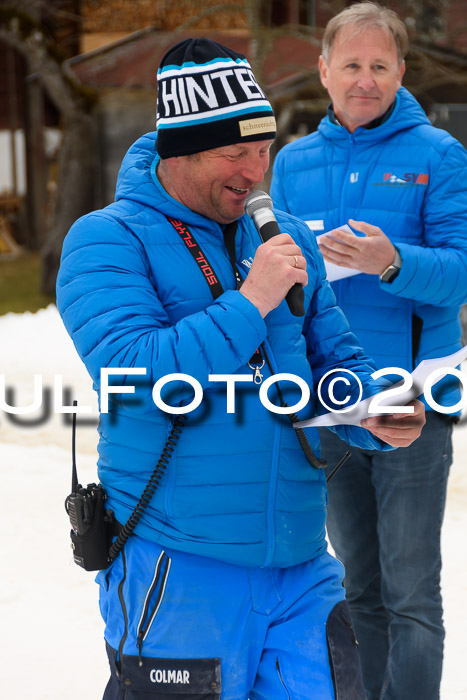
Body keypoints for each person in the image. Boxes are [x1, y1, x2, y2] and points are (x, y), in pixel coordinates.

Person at [57, 38, 425, 700]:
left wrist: (374, 407)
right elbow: (132, 373)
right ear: (181, 151)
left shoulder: (282, 235)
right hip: (179, 562)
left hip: (300, 562)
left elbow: (333, 360)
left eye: (264, 150)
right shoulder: (106, 238)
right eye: (235, 154)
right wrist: (249, 301)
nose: (256, 171)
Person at [270, 3, 467, 699]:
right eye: (350, 65)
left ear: (400, 72)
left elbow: (459, 270)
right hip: (331, 404)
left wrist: (390, 262)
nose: (364, 79)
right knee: (356, 587)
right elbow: (276, 279)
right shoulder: (292, 162)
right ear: (322, 70)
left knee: (410, 590)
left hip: (409, 393)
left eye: (378, 66)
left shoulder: (439, 156)